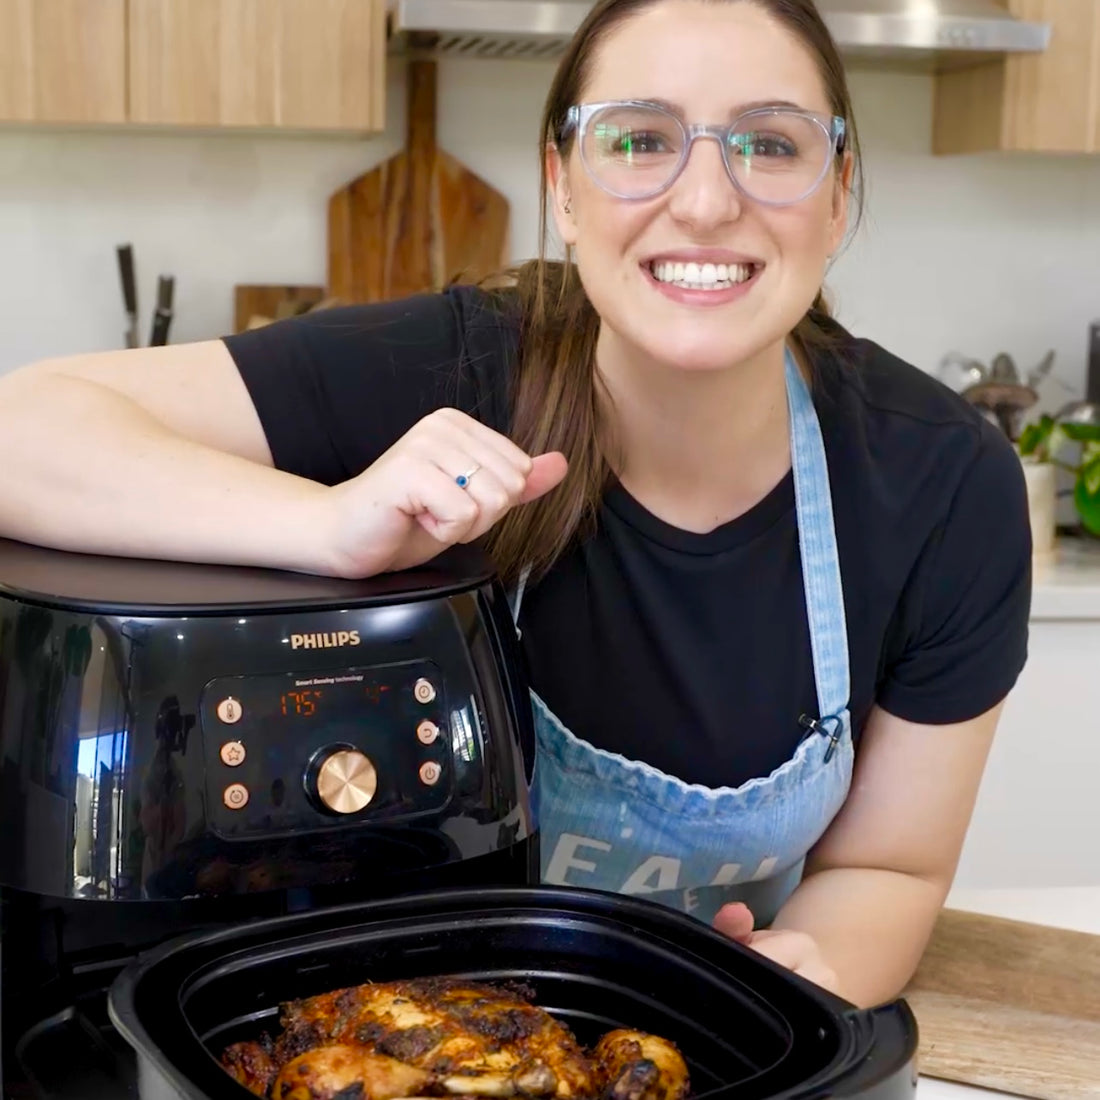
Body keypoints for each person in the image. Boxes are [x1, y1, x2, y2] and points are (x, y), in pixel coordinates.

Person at [0, 0, 1031, 1008]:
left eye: (768, 144)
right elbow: (24, 430)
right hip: (382, 1041)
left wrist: (794, 982)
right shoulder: (448, 366)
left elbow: (886, 870)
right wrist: (328, 524)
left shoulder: (943, 485)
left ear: (838, 192)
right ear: (562, 187)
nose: (707, 200)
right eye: (639, 139)